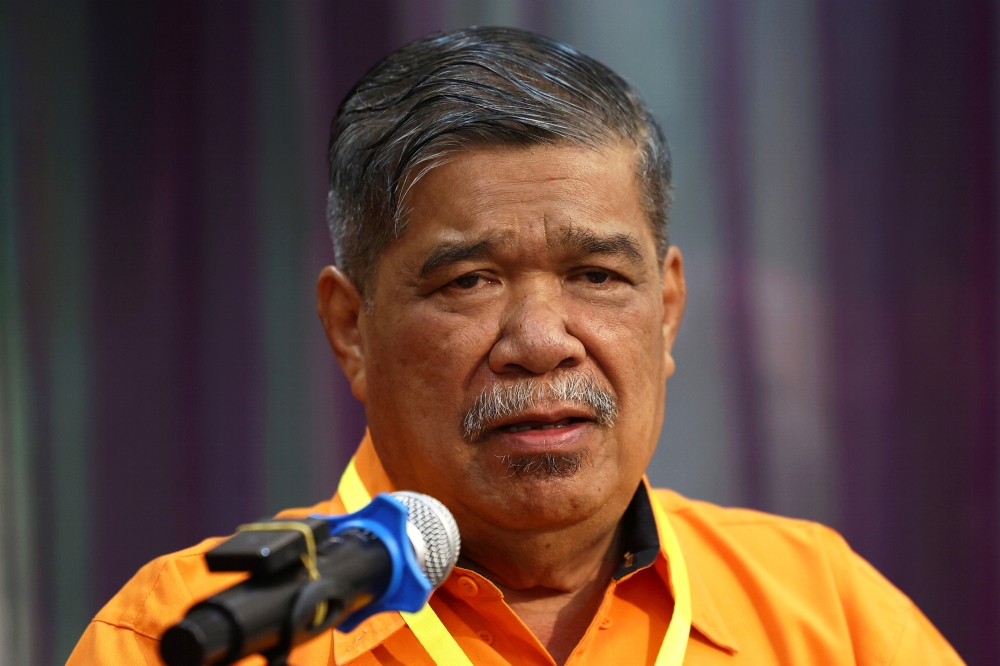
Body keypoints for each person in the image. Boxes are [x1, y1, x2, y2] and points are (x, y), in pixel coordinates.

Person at [68, 27, 963, 666]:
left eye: (597, 276)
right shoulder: (191, 633)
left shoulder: (828, 615)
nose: (540, 343)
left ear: (667, 310)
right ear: (351, 328)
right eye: (468, 282)